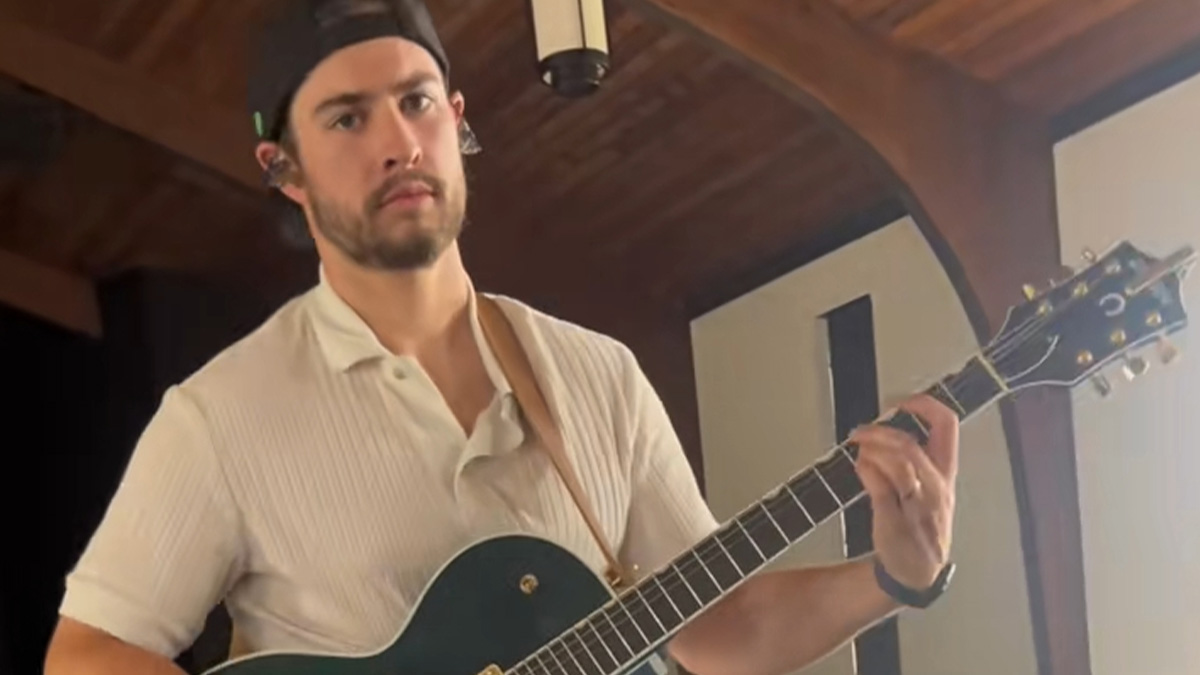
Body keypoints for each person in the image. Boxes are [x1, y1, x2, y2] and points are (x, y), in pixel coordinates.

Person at [42, 1, 962, 674]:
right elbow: (86, 656)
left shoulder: (597, 375)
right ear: (283, 169)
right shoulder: (219, 417)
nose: (398, 142)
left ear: (459, 120)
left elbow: (715, 627)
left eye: (417, 101)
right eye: (348, 118)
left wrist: (895, 575)